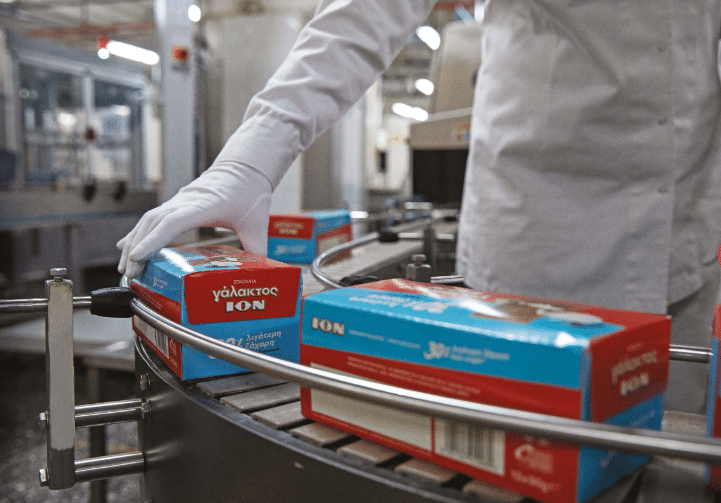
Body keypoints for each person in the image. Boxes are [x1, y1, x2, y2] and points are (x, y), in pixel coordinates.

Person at [118, 0, 721, 414]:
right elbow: (366, 13)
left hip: (692, 246)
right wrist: (251, 160)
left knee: (673, 464)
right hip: (543, 254)